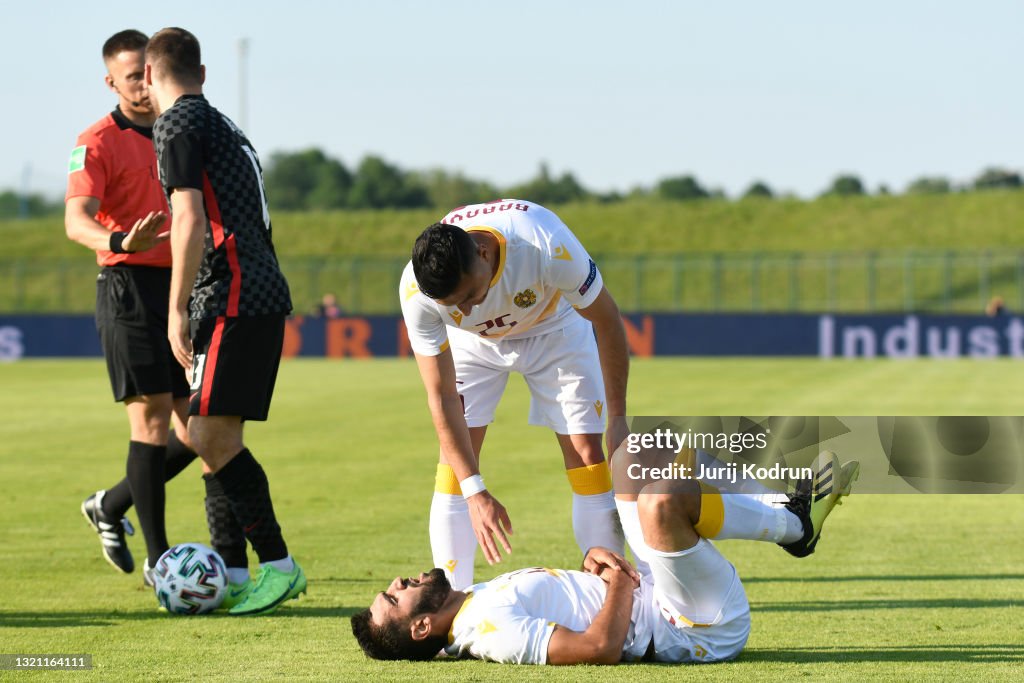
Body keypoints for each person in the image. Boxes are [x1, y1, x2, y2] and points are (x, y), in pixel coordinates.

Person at [351, 452, 860, 664]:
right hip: (694, 627)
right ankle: (796, 526)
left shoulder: (471, 602)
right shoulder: (488, 631)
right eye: (393, 597)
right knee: (660, 501)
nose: (397, 580)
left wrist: (594, 563)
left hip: (657, 596)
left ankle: (781, 503)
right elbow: (598, 647)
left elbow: (574, 604)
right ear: (420, 628)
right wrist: (622, 583)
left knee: (633, 458)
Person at [146, 26, 304, 616]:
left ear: (148, 78)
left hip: (232, 293)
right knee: (207, 432)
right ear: (203, 73)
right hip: (252, 289)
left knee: (208, 435)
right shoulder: (223, 124)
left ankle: (279, 567)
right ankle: (233, 571)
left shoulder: (176, 124)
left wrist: (176, 307)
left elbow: (186, 219)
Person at [400, 200, 630, 590]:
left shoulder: (545, 242)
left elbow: (607, 321)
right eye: (455, 306)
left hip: (553, 328)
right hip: (473, 346)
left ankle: (609, 596)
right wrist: (475, 490)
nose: (469, 308)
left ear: (485, 254)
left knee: (588, 454)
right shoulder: (416, 291)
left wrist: (619, 420)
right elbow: (440, 396)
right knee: (456, 466)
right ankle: (452, 603)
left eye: (471, 294)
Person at [65, 29, 203, 582]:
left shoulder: (180, 131)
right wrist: (121, 241)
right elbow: (76, 221)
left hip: (184, 288)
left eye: (147, 75)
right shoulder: (95, 140)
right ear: (110, 82)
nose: (143, 88)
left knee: (201, 430)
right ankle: (160, 560)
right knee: (148, 422)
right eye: (130, 79)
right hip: (128, 289)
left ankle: (111, 504)